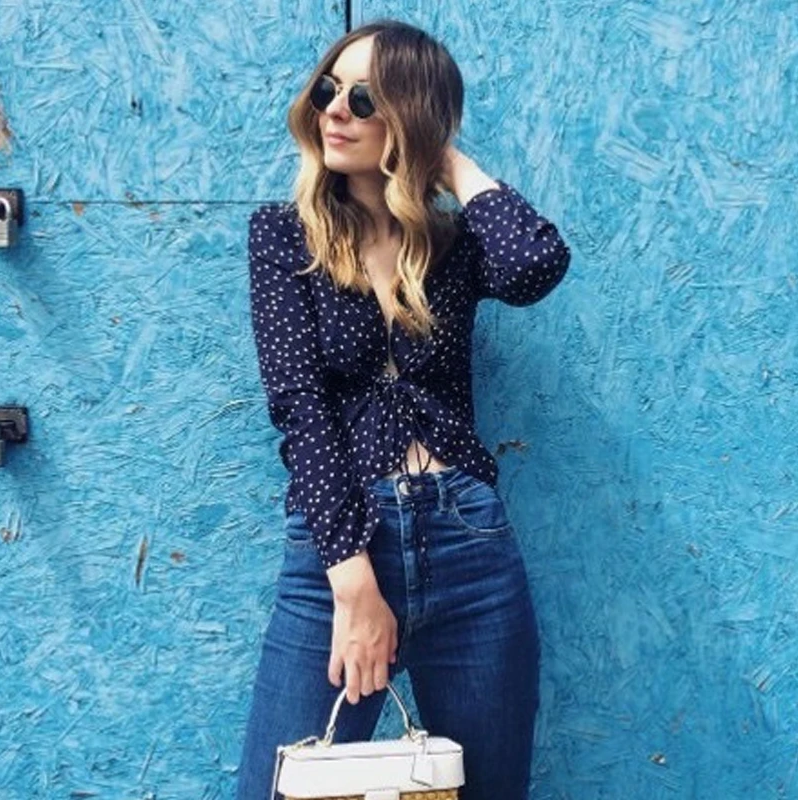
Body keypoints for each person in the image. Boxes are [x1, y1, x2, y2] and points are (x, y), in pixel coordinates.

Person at [236, 18, 570, 800]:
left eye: (365, 99)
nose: (335, 110)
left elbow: (537, 262)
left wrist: (444, 157)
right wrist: (353, 584)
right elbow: (299, 408)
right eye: (329, 90)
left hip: (469, 547)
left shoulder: (456, 245)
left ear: (410, 118)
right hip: (338, 555)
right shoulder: (284, 238)